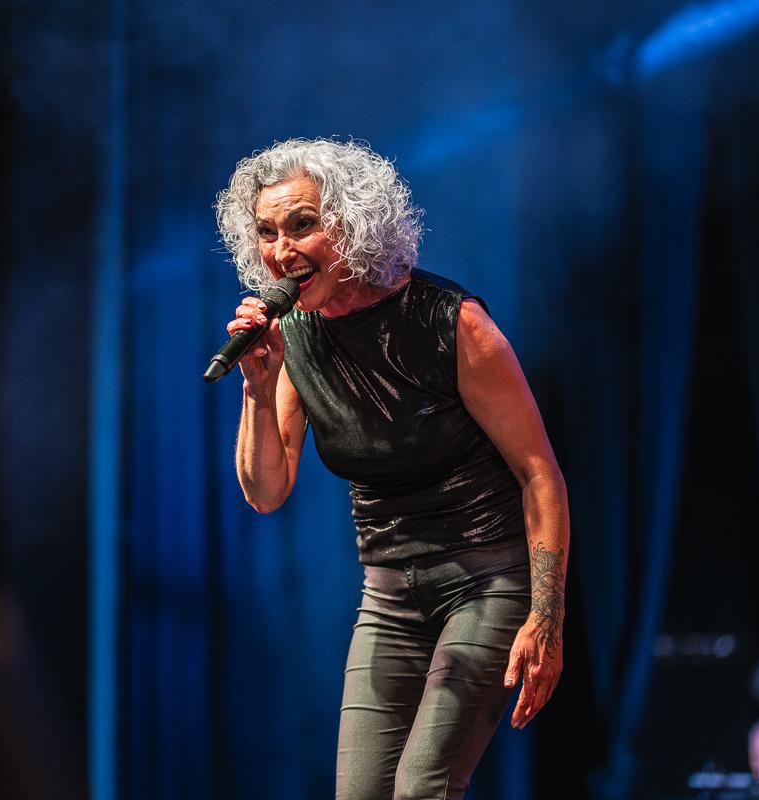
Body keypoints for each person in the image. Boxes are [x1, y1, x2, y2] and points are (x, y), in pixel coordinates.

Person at [215, 138, 570, 799]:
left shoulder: (450, 321)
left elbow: (539, 474)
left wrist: (545, 621)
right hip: (389, 596)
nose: (282, 251)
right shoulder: (296, 334)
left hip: (487, 581)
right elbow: (266, 491)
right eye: (266, 232)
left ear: (352, 223)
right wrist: (258, 388)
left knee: (420, 788)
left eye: (302, 225)